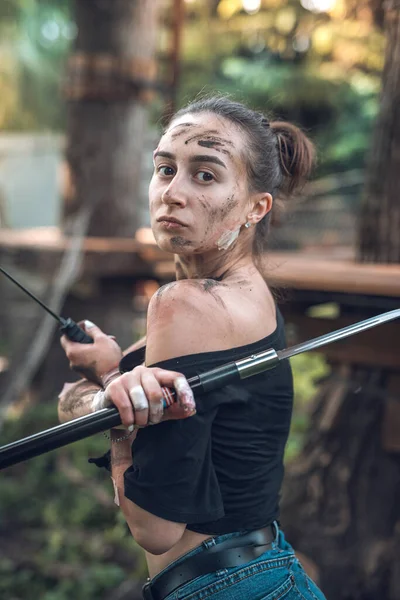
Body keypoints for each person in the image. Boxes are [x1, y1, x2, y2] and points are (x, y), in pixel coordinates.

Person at [58, 95, 326, 600]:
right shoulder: (250, 296)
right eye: (165, 169)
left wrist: (115, 414)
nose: (172, 193)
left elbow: (154, 528)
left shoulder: (185, 306)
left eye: (205, 175)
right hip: (263, 573)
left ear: (255, 206)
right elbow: (100, 394)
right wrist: (113, 376)